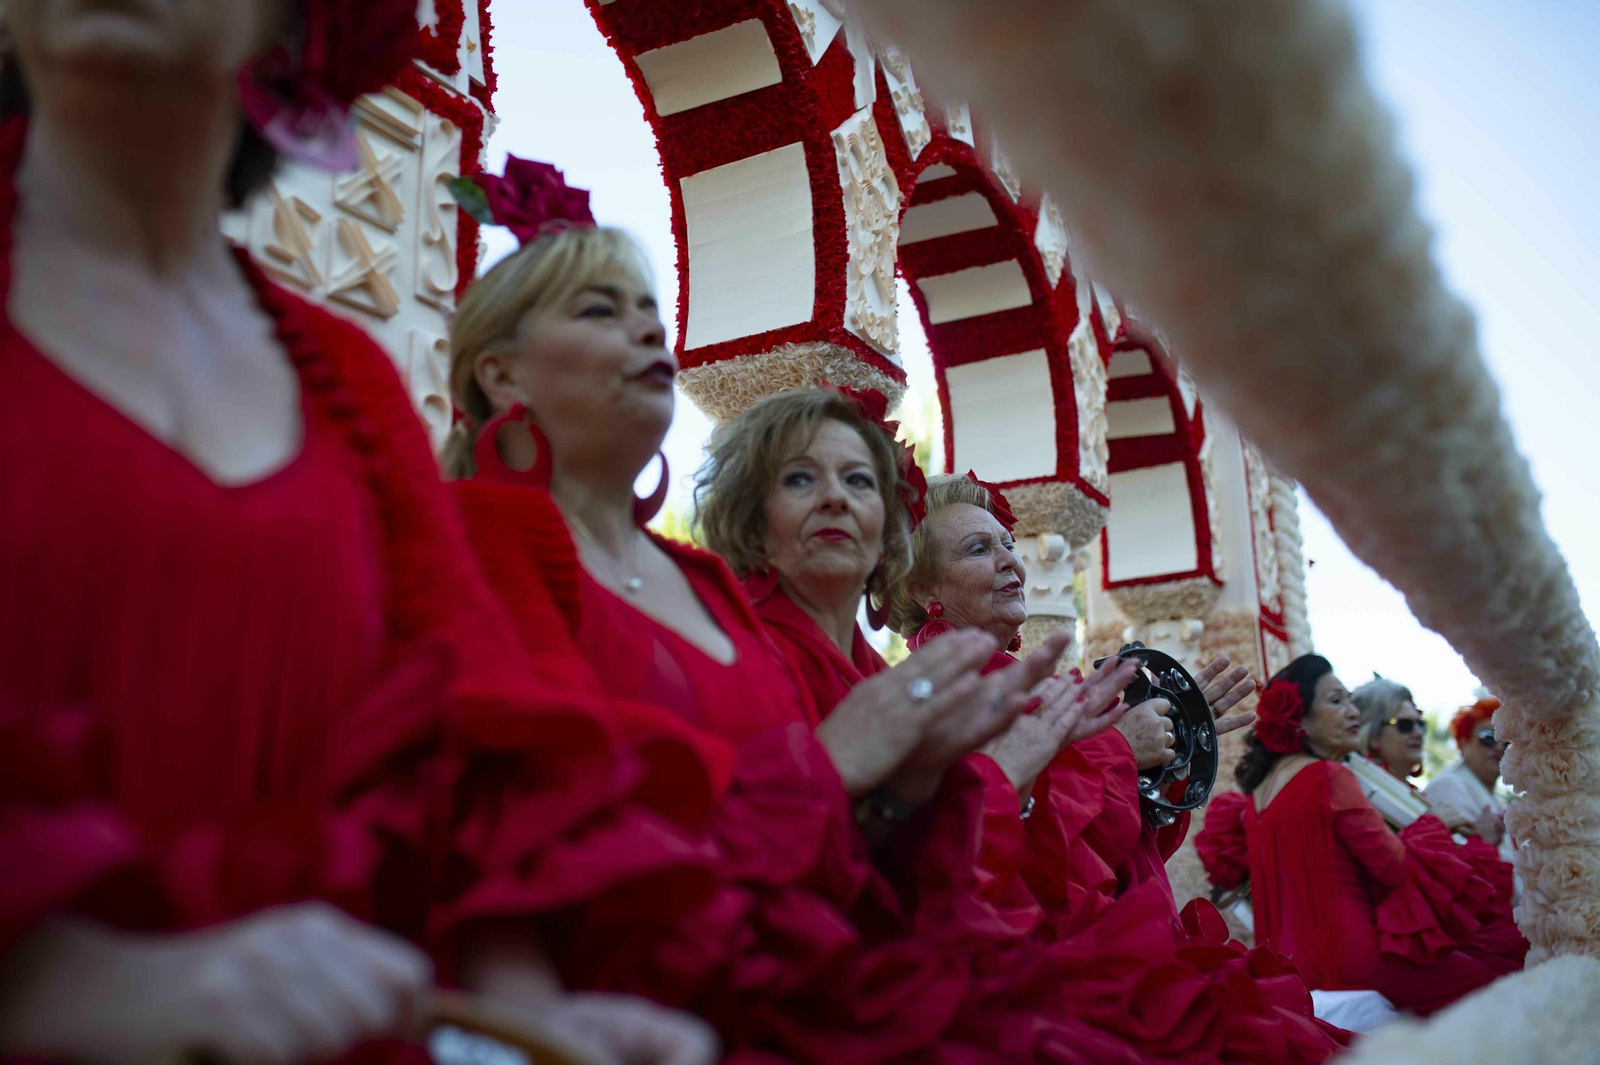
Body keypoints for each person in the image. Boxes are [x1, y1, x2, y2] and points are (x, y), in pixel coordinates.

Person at [0, 5, 719, 1064]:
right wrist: (59, 976)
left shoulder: (351, 389)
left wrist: (529, 1015)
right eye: (598, 312)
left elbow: (469, 731)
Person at [1195, 655, 1526, 1016]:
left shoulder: (1258, 795)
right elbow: (1394, 868)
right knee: (1498, 978)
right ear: (1299, 718)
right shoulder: (1329, 775)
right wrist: (1433, 823)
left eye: (1351, 700)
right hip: (1357, 962)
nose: (1353, 712)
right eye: (1336, 701)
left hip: (1291, 970)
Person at [1425, 699, 1514, 865]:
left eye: (1507, 743)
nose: (1499, 748)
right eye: (1489, 738)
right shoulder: (1448, 785)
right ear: (1464, 743)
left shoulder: (1498, 801)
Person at [1352, 676, 1426, 784]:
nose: (1419, 733)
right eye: (1405, 725)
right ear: (1374, 737)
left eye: (1421, 724)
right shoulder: (1356, 786)